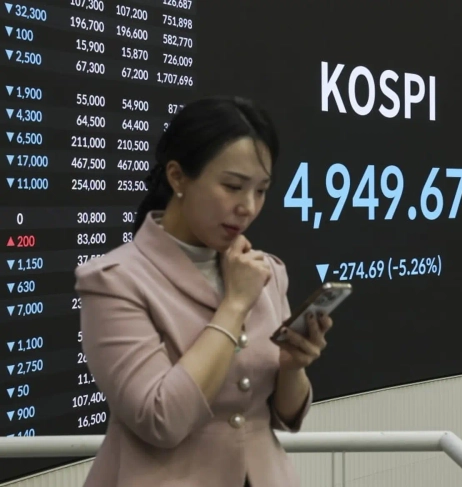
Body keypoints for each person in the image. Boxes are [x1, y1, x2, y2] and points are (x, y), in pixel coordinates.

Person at [74, 96, 332, 487]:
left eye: (261, 190)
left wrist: (292, 367)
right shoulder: (114, 280)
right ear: (177, 177)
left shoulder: (267, 273)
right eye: (232, 186)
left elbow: (284, 416)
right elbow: (160, 420)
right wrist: (234, 305)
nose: (248, 207)